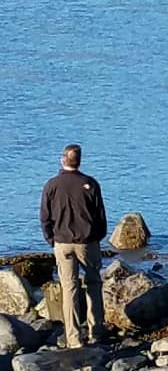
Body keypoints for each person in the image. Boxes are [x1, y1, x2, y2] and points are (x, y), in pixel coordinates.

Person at [40, 144, 107, 348]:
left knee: (69, 289)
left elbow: (45, 217)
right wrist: (96, 238)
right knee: (93, 284)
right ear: (79, 161)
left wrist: (52, 240)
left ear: (63, 160)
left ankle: (74, 338)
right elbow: (101, 218)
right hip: (87, 242)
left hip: (62, 243)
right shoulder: (90, 183)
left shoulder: (51, 185)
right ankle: (96, 332)